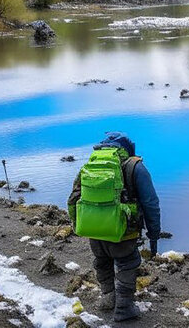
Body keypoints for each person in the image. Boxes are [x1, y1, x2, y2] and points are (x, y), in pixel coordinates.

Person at [68, 132, 161, 323]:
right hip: (123, 231)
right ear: (126, 149)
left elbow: (73, 198)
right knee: (127, 263)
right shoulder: (135, 167)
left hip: (93, 228)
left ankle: (108, 298)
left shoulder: (90, 165)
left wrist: (78, 225)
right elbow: (151, 203)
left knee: (102, 261)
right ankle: (124, 308)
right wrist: (154, 234)